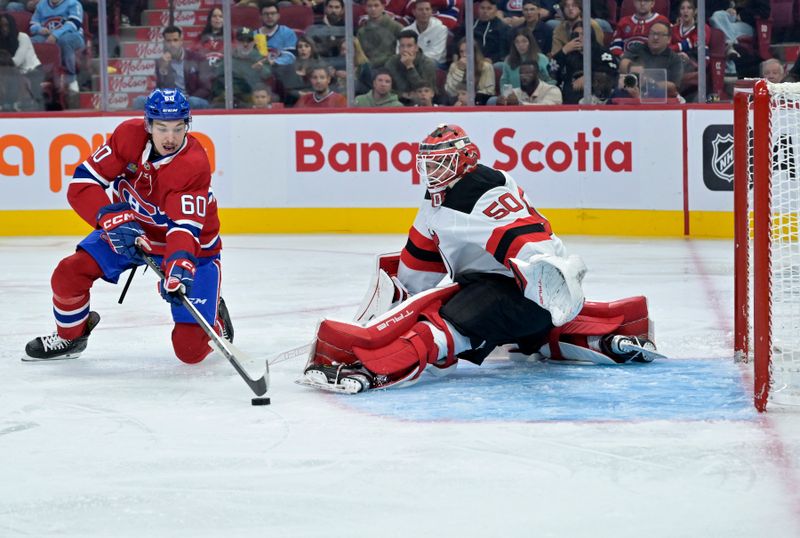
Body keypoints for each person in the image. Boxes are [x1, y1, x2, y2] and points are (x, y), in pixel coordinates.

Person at [299, 124, 661, 393]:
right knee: (516, 332)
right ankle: (604, 340)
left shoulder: (481, 191)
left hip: (520, 293)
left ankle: (376, 368)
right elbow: (418, 265)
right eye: (427, 163)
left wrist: (548, 277)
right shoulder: (441, 195)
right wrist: (390, 312)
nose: (431, 172)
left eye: (440, 163)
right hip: (518, 299)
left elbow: (526, 238)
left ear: (465, 161)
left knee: (444, 319)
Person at [24, 88, 232, 364]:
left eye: (178, 128)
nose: (170, 137)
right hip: (131, 232)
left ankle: (214, 317)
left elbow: (184, 229)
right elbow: (82, 183)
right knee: (68, 272)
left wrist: (178, 267)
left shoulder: (192, 164)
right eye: (162, 128)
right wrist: (111, 219)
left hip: (191, 249)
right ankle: (70, 336)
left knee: (189, 351)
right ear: (148, 125)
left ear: (187, 125)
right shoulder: (127, 137)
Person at [550, 18, 618, 104]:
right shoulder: (567, 52)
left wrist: (589, 77)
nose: (579, 37)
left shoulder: (602, 52)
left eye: (583, 34)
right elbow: (551, 70)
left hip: (596, 94)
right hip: (569, 95)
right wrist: (563, 51)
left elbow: (611, 71)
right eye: (576, 34)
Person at [29, 0, 85, 93]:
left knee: (64, 41)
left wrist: (56, 34)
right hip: (46, 35)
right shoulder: (41, 4)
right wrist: (39, 29)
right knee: (32, 42)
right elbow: (33, 24)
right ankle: (37, 77)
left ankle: (72, 79)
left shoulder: (73, 3)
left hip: (72, 35)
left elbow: (74, 24)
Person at [619, 21, 684, 100]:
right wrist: (631, 68)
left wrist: (649, 82)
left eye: (660, 34)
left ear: (669, 39)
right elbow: (623, 64)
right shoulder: (637, 48)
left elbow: (673, 86)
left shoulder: (674, 59)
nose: (655, 37)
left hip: (659, 96)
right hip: (631, 89)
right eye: (652, 33)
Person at [210, 27, 271, 108]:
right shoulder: (228, 57)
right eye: (242, 41)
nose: (245, 44)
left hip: (251, 95)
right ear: (236, 42)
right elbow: (217, 76)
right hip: (229, 95)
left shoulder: (260, 57)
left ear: (253, 42)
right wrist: (222, 93)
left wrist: (261, 69)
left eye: (249, 41)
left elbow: (268, 75)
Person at [0, 12, 44, 110]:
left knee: (11, 77)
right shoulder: (1, 40)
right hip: (11, 72)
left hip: (31, 70)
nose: (4, 28)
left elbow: (17, 61)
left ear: (11, 25)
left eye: (6, 25)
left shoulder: (23, 37)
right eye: (1, 26)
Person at [384, 29, 437, 104]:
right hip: (397, 101)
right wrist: (402, 94)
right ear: (399, 48)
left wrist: (410, 67)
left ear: (416, 48)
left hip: (421, 102)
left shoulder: (428, 64)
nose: (405, 50)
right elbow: (386, 89)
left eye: (409, 46)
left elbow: (424, 91)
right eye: (402, 46)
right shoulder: (391, 63)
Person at [445, 37, 496, 105]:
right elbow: (450, 91)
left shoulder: (486, 66)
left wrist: (470, 96)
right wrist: (460, 70)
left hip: (479, 101)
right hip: (458, 100)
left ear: (474, 52)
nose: (464, 55)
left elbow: (489, 91)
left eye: (467, 51)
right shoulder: (454, 66)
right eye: (461, 51)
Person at [358, 0, 403, 69]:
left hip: (393, 67)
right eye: (370, 6)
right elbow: (360, 55)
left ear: (383, 7)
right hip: (370, 69)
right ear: (365, 8)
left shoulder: (397, 27)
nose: (373, 9)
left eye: (376, 5)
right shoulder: (362, 32)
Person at [401, 0, 448, 65]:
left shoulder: (441, 29)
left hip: (435, 65)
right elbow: (399, 52)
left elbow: (436, 55)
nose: (424, 12)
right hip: (410, 62)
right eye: (420, 9)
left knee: (429, 63)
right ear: (414, 12)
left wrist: (412, 58)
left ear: (431, 11)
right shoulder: (405, 31)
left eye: (427, 9)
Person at [496, 60, 562, 104]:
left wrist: (519, 104)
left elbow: (547, 109)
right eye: (521, 73)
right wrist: (502, 103)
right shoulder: (515, 93)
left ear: (537, 74)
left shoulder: (552, 90)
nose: (524, 76)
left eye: (528, 73)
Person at [256, 1, 298, 66]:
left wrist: (274, 62)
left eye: (273, 13)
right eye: (266, 14)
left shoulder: (287, 33)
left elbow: (291, 56)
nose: (269, 16)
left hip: (282, 70)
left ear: (278, 16)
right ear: (260, 17)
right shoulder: (254, 35)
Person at [194, 5, 225, 69]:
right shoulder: (201, 37)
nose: (217, 18)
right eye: (214, 16)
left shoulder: (230, 37)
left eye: (220, 16)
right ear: (209, 19)